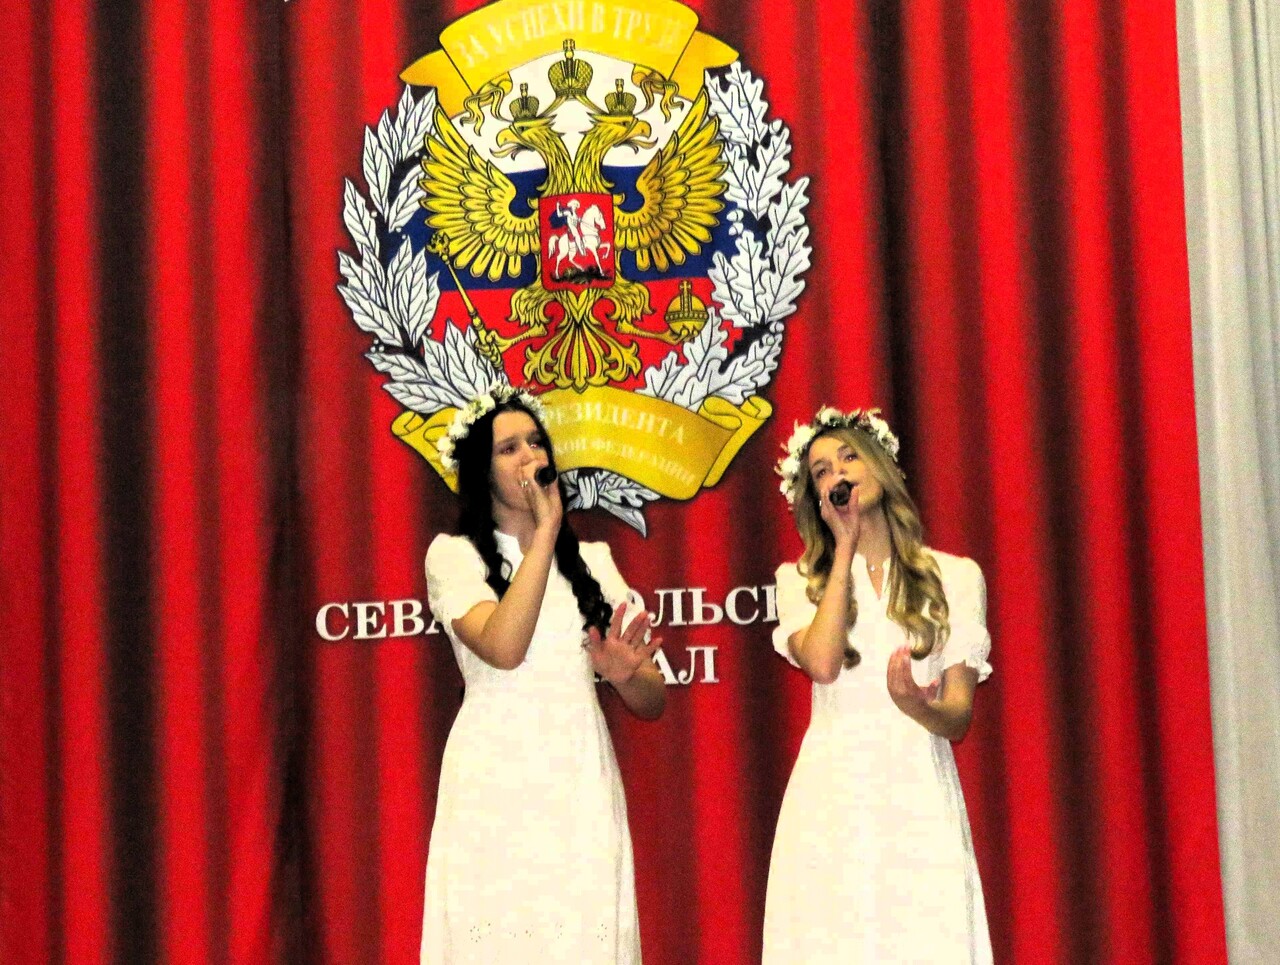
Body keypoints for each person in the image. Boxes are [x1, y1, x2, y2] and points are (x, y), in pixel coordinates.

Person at [420, 383, 665, 964]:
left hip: (577, 773)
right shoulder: (453, 556)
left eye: (536, 443)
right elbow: (504, 647)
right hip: (494, 777)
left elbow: (653, 699)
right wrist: (546, 532)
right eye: (509, 448)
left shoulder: (595, 562)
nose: (529, 456)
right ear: (481, 471)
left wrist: (624, 674)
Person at [764, 406, 993, 963]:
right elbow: (822, 664)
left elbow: (958, 716)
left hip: (917, 786)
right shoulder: (797, 581)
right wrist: (843, 547)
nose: (838, 473)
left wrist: (917, 706)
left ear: (881, 466)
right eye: (821, 470)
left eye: (849, 457)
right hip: (831, 791)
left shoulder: (955, 576)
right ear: (815, 498)